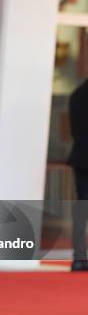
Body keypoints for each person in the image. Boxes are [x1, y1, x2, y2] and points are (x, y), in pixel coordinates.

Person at [68, 78, 88, 272]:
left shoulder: (77, 94)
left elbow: (74, 130)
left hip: (81, 158)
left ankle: (79, 257)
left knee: (81, 208)